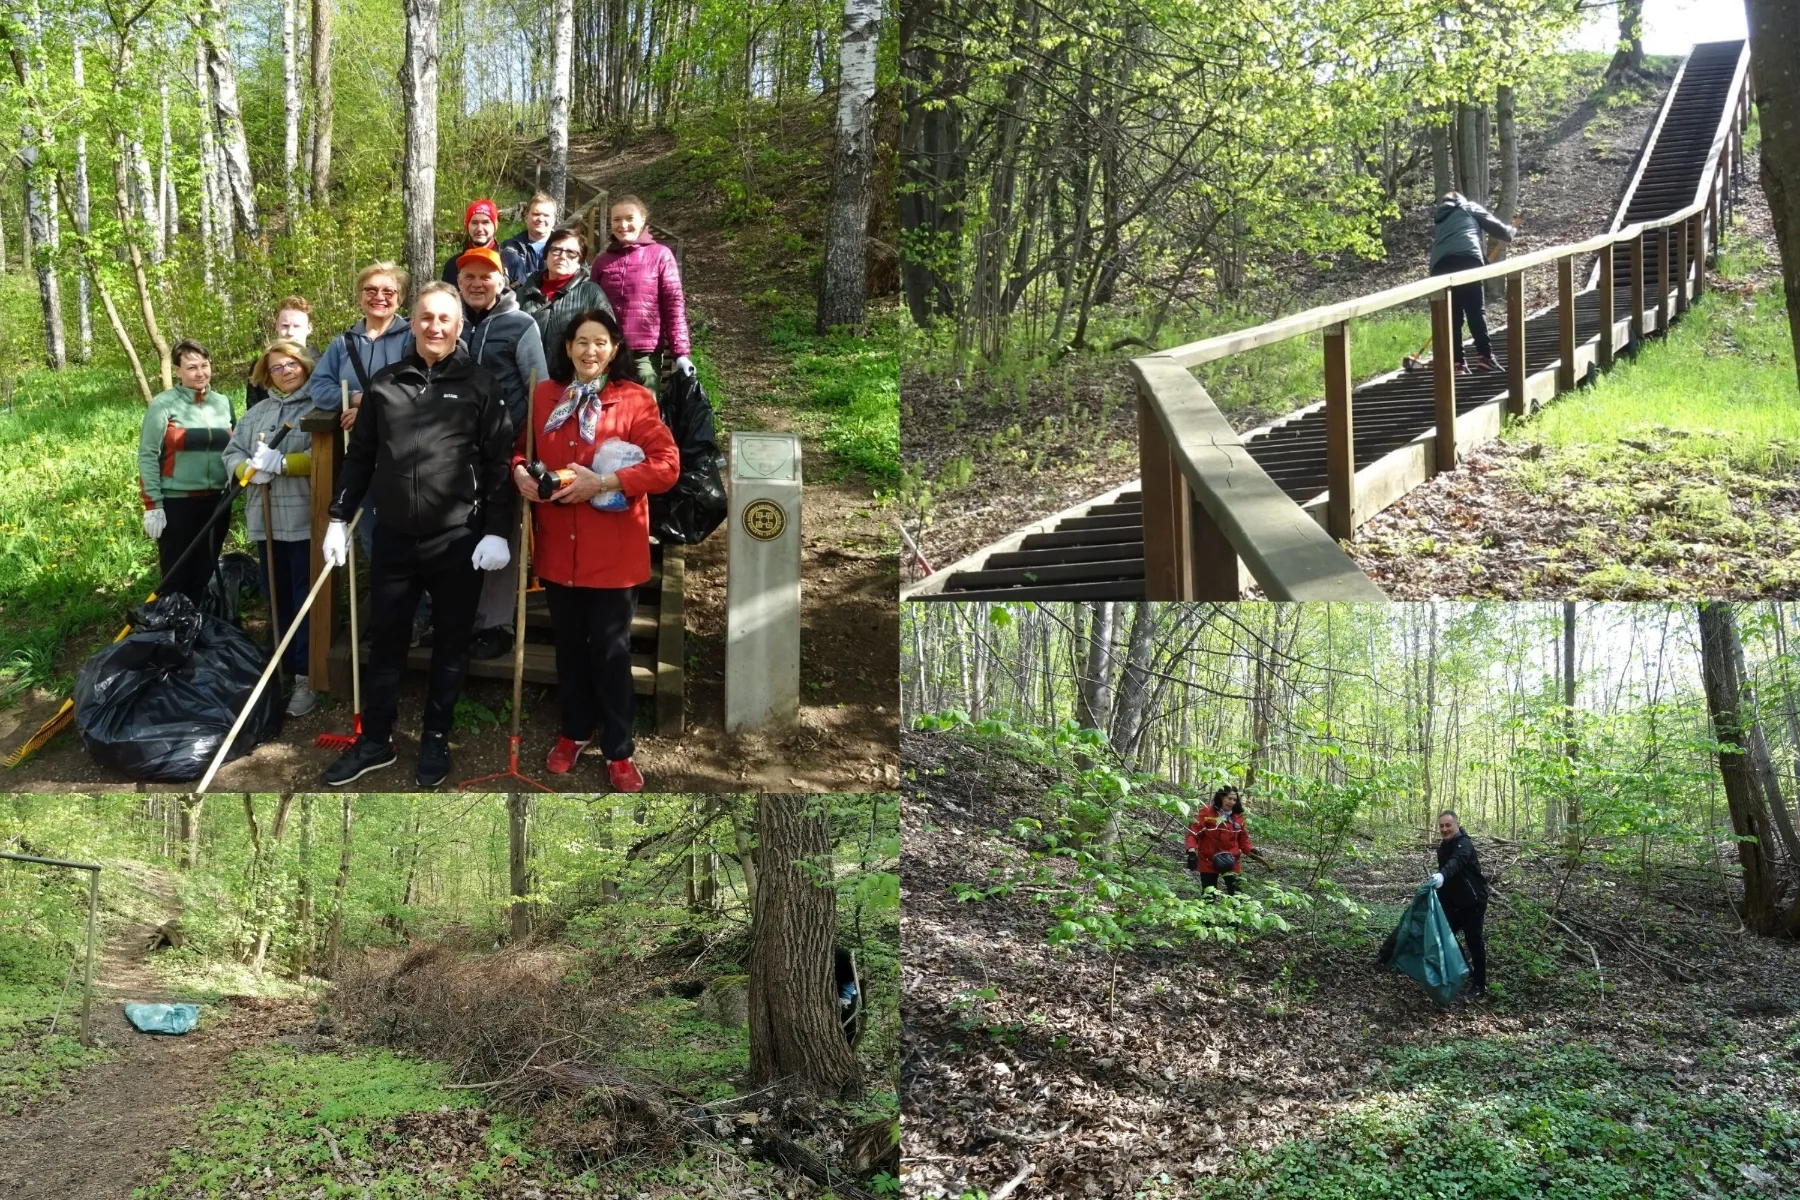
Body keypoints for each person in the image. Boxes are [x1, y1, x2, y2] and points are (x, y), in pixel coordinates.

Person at [318, 282, 517, 789]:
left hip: (457, 540)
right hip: (394, 538)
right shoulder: (386, 384)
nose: (435, 327)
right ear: (414, 321)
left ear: (458, 325)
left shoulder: (480, 384)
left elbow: (498, 464)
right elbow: (361, 456)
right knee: (386, 642)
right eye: (426, 317)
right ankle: (375, 741)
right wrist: (338, 517)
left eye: (445, 319)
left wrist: (496, 532)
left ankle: (435, 737)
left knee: (451, 643)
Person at [512, 308, 678, 792]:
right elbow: (520, 450)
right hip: (559, 552)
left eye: (600, 342)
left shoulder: (634, 399)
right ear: (567, 348)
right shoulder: (544, 396)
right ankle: (575, 731)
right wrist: (521, 472)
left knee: (610, 651)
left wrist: (605, 481)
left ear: (614, 348)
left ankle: (619, 749)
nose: (590, 351)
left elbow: (667, 466)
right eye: (581, 342)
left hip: (614, 554)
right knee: (569, 650)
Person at [457, 245, 548, 661]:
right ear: (459, 283)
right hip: (454, 446)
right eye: (468, 277)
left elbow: (539, 386)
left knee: (501, 530)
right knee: (459, 531)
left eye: (485, 276)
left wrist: (527, 445)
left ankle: (496, 623)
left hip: (505, 446)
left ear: (502, 280)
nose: (477, 284)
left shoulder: (520, 323)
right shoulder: (449, 323)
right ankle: (460, 615)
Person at [224, 342, 319, 716]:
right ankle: (279, 668)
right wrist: (247, 470)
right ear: (266, 375)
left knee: (303, 602)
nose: (285, 372)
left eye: (291, 364)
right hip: (265, 522)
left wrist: (283, 463)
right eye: (276, 368)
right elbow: (231, 452)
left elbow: (323, 457)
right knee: (275, 597)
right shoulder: (257, 414)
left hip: (303, 522)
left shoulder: (318, 408)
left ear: (305, 365)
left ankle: (305, 676)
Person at [307, 262, 416, 563]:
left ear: (401, 297)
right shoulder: (343, 343)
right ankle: (386, 603)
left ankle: (418, 607)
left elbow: (415, 389)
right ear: (359, 296)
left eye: (388, 291)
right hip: (361, 454)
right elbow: (318, 386)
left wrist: (368, 411)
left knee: (406, 528)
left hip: (403, 451)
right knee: (369, 529)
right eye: (370, 290)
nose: (379, 296)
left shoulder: (413, 338)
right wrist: (355, 398)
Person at [137, 339, 235, 603]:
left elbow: (234, 448)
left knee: (204, 571)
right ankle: (172, 632)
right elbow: (147, 455)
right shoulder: (163, 404)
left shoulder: (223, 403)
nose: (200, 372)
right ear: (178, 371)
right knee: (176, 576)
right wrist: (152, 504)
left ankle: (199, 629)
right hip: (177, 502)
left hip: (217, 500)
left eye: (204, 365)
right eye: (192, 367)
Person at [588, 194, 693, 393]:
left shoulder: (660, 255)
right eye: (616, 220)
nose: (623, 225)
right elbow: (590, 310)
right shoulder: (602, 261)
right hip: (606, 353)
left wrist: (680, 353)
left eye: (629, 218)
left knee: (644, 417)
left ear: (643, 220)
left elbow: (674, 306)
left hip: (644, 354)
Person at [1429, 191, 1516, 375]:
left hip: (1440, 267)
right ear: (1460, 200)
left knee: (1453, 316)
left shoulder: (1440, 219)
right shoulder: (1469, 207)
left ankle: (1457, 363)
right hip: (1467, 261)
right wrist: (1510, 232)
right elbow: (1498, 229)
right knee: (1475, 310)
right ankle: (1485, 357)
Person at [516, 226, 615, 382]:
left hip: (574, 384)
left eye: (571, 253)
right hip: (528, 383)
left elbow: (609, 340)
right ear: (545, 255)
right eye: (556, 250)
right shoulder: (523, 293)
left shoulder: (591, 294)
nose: (562, 256)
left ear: (580, 260)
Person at [1429, 809, 1490, 1000]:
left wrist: (1442, 875)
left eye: (1448, 825)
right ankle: (1466, 967)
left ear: (1456, 825)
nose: (1445, 829)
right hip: (1453, 903)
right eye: (1441, 826)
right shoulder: (1443, 847)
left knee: (1474, 942)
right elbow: (1447, 874)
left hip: (1473, 902)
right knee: (1446, 937)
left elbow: (1456, 863)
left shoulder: (1464, 844)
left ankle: (1480, 985)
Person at [245, 296, 313, 409]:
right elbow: (253, 408)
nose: (290, 332)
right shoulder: (262, 365)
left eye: (297, 326)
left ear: (309, 328)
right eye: (285, 326)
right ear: (277, 326)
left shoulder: (323, 363)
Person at [442, 197, 525, 285]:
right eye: (474, 223)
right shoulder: (453, 264)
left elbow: (521, 297)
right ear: (467, 226)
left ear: (495, 226)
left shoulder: (511, 261)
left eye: (485, 222)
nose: (479, 229)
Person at [501, 192, 560, 284]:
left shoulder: (566, 249)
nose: (540, 219)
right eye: (536, 214)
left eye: (546, 215)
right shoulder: (509, 248)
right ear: (526, 217)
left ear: (554, 220)